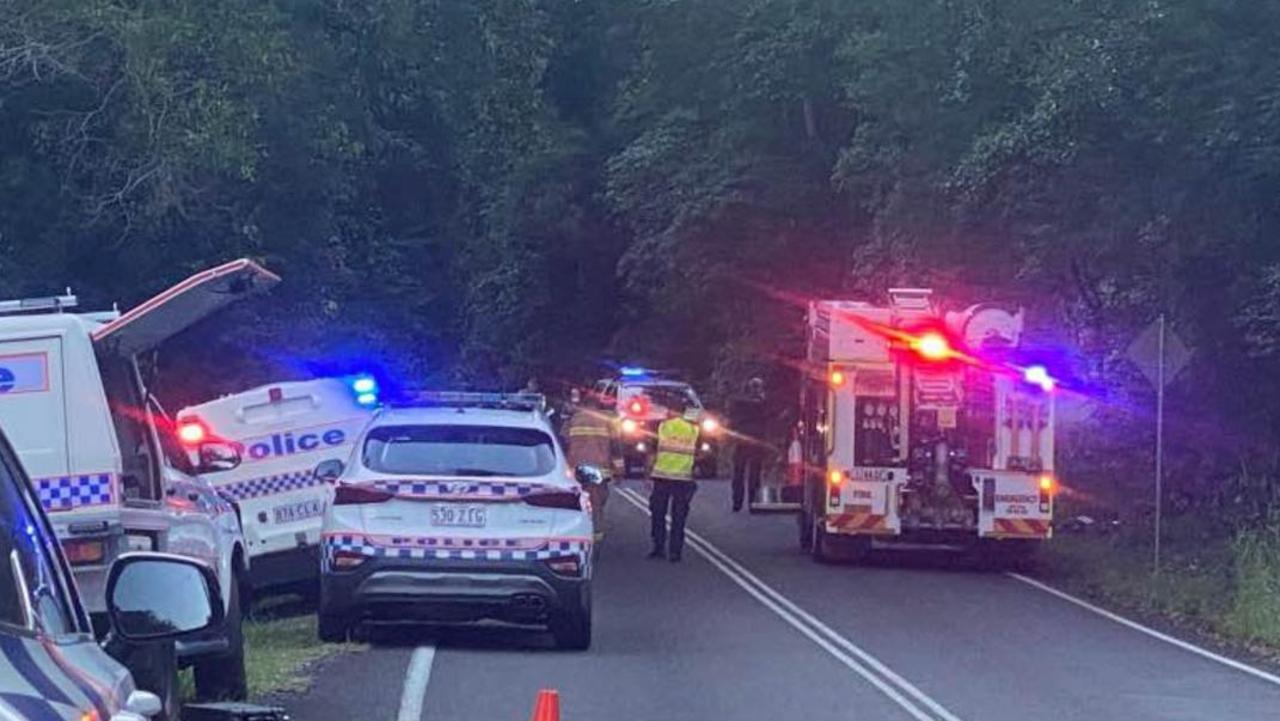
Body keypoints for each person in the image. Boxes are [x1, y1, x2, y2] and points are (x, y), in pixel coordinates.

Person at [648, 399, 700, 562]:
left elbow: (652, 452)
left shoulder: (662, 427)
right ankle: (675, 551)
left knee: (658, 513)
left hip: (661, 477)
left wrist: (647, 474)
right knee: (679, 517)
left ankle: (658, 548)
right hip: (683, 479)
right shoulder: (693, 429)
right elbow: (700, 452)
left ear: (670, 411)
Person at [565, 388, 614, 542]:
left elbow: (563, 442)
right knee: (597, 502)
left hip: (577, 469)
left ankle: (577, 532)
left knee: (577, 502)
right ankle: (596, 534)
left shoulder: (573, 419)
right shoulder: (607, 420)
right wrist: (620, 469)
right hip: (600, 469)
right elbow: (615, 445)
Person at [730, 377, 769, 512]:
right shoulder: (762, 404)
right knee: (754, 474)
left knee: (739, 473)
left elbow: (732, 420)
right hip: (756, 441)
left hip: (742, 440)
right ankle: (753, 503)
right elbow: (768, 418)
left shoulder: (739, 403)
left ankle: (737, 502)